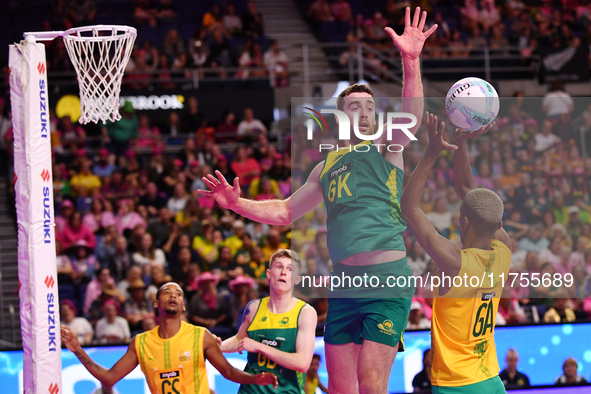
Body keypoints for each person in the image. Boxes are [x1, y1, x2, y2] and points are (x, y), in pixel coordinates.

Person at [200, 8, 436, 393]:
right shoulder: (325, 167)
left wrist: (411, 61)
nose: (363, 111)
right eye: (354, 107)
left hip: (386, 278)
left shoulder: (386, 146)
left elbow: (411, 117)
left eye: (369, 107)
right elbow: (287, 210)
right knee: (341, 387)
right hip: (344, 283)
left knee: (371, 382)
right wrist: (235, 205)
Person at [400, 113, 511, 394]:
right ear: (498, 225)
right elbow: (468, 192)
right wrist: (461, 143)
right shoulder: (505, 251)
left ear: (463, 222)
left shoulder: (453, 262)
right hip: (492, 379)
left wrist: (432, 152)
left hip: (458, 385)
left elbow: (410, 209)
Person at [61, 282, 278, 393]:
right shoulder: (140, 342)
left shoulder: (200, 336)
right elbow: (109, 378)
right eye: (166, 292)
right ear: (156, 303)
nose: (173, 295)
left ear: (184, 305)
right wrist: (78, 350)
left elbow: (228, 371)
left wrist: (254, 378)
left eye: (178, 293)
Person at [221, 249, 317, 393]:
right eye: (279, 267)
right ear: (269, 274)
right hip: (250, 390)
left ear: (297, 279)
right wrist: (216, 347)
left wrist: (259, 346)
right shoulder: (253, 308)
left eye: (290, 269)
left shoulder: (305, 312)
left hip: (285, 390)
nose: (283, 272)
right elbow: (240, 339)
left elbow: (302, 363)